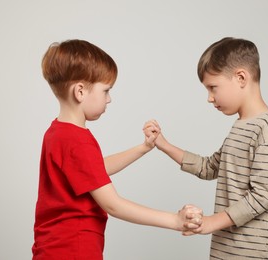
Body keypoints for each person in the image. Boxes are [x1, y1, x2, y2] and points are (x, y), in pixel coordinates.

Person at [32, 39, 202, 260]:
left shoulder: (57, 133)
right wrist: (174, 221)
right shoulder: (77, 140)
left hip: (53, 248)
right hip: (74, 249)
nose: (109, 99)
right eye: (106, 90)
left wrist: (143, 148)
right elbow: (113, 204)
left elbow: (92, 170)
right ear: (80, 91)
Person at [144, 37, 268, 259]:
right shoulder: (242, 126)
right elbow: (209, 167)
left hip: (256, 253)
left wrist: (212, 222)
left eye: (213, 87)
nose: (210, 98)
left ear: (241, 78)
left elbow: (262, 195)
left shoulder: (265, 129)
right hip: (229, 250)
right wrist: (163, 144)